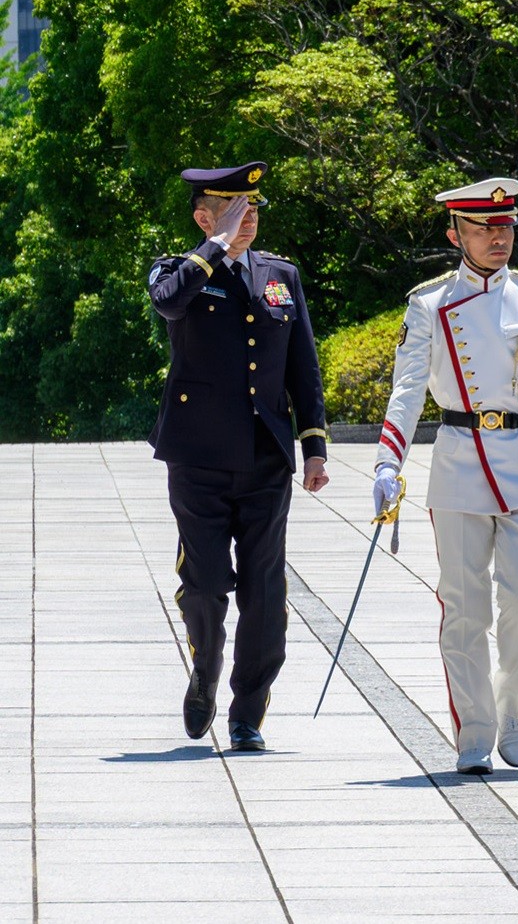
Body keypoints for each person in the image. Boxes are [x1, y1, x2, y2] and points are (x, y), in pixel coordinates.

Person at [371, 178, 518, 775]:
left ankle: (515, 707)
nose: (498, 237)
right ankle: (475, 727)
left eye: (506, 226)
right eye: (484, 228)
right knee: (463, 607)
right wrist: (389, 459)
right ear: (454, 233)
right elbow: (408, 388)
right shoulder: (429, 304)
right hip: (459, 458)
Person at [148, 161, 329, 752]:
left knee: (264, 593)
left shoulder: (282, 276)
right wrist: (216, 246)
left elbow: (302, 366)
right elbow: (170, 305)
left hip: (264, 459)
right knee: (204, 586)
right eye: (230, 211)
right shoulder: (179, 271)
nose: (245, 220)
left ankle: (248, 711)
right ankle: (206, 669)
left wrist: (313, 449)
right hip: (197, 457)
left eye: (251, 210)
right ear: (203, 216)